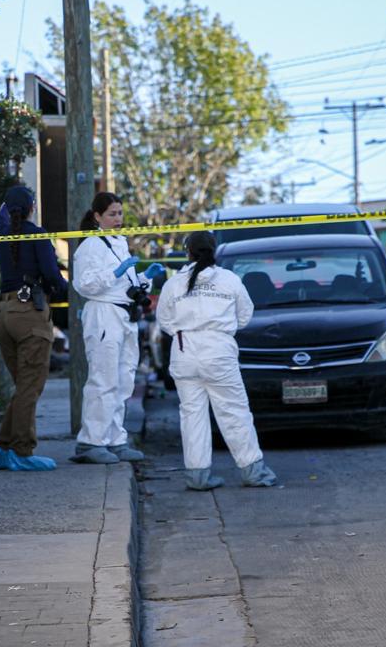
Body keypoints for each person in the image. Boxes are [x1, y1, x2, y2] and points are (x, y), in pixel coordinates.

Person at [155, 231, 277, 490]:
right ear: (215, 251)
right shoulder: (229, 280)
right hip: (219, 352)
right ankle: (253, 472)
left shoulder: (174, 284)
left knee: (192, 415)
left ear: (188, 252)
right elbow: (245, 315)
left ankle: (197, 475)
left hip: (184, 352)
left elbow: (164, 321)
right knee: (234, 412)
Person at [70, 192, 164, 464]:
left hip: (125, 314)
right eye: (112, 214)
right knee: (103, 378)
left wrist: (146, 277)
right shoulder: (90, 245)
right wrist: (116, 272)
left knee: (124, 379)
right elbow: (85, 285)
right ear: (97, 216)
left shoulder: (120, 243)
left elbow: (126, 286)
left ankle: (115, 438)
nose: (118, 219)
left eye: (120, 213)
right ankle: (91, 441)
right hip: (103, 314)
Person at [0, 186, 69, 471]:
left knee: (23, 387)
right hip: (30, 316)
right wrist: (65, 289)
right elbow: (51, 275)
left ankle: (2, 449)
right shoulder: (36, 234)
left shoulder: (1, 236)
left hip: (3, 313)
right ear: (32, 207)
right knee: (30, 389)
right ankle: (22, 452)